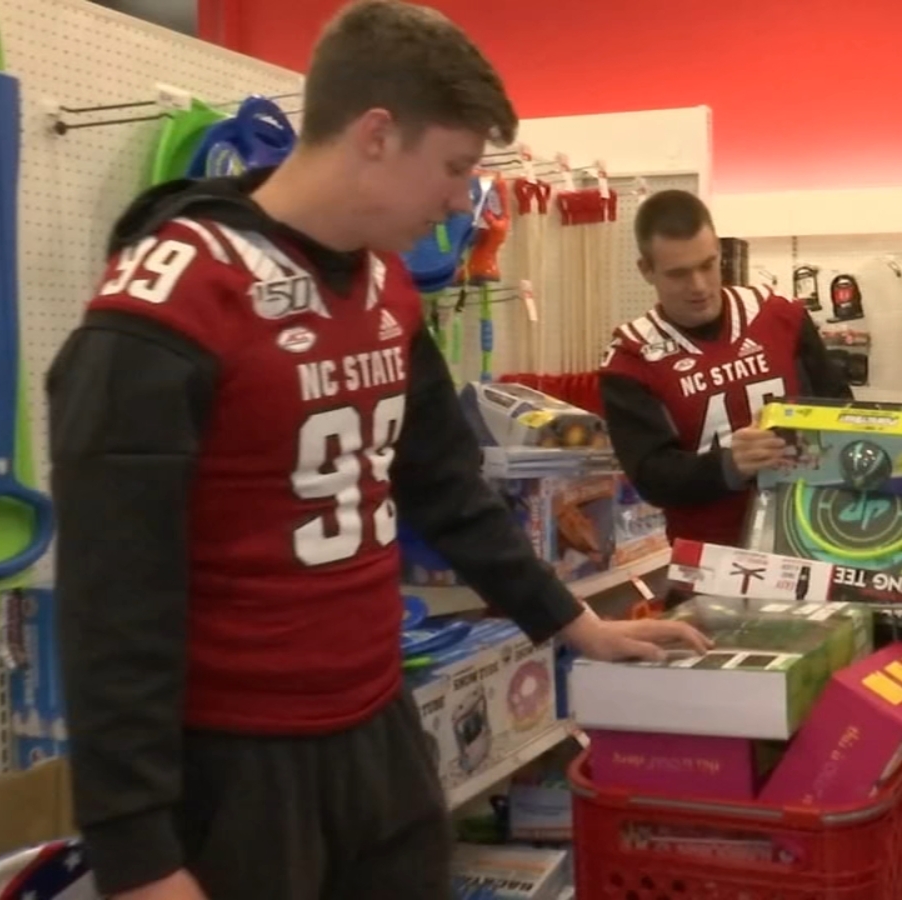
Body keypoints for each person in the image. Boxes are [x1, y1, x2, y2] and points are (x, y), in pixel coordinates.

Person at [46, 4, 708, 899]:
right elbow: (111, 593)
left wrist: (574, 623)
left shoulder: (383, 282)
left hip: (377, 725)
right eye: (455, 168)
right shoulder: (174, 300)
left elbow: (446, 484)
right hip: (237, 762)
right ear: (375, 135)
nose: (460, 200)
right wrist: (137, 855)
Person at [599, 190, 854, 547]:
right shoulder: (632, 360)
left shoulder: (782, 316)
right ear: (647, 270)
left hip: (811, 537)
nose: (699, 287)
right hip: (709, 559)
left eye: (707, 265)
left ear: (719, 251)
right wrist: (729, 465)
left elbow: (841, 408)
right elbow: (651, 477)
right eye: (678, 274)